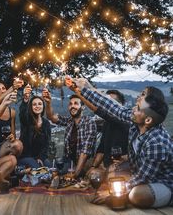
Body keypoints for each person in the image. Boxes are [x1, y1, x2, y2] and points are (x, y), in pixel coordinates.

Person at [65, 76, 173, 208]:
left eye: (137, 107)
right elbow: (111, 106)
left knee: (137, 195)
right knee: (112, 173)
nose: (133, 109)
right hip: (139, 174)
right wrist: (84, 89)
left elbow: (142, 179)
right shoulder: (138, 120)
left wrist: (112, 193)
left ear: (148, 120)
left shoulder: (158, 143)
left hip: (162, 183)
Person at [42, 88, 97, 178]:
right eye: (70, 104)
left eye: (76, 103)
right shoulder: (69, 121)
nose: (72, 106)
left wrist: (75, 174)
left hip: (84, 163)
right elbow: (51, 117)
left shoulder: (89, 122)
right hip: (69, 161)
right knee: (50, 169)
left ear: (82, 107)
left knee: (66, 176)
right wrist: (48, 103)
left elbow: (85, 152)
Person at [85, 90, 129, 178]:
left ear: (119, 106)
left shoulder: (125, 122)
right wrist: (93, 167)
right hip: (106, 165)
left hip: (123, 166)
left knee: (98, 176)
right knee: (87, 169)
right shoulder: (106, 123)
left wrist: (81, 92)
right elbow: (101, 149)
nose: (107, 106)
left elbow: (97, 110)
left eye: (110, 102)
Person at [18, 84, 51, 168]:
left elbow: (46, 144)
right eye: (34, 104)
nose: (37, 106)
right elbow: (22, 114)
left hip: (38, 157)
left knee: (48, 166)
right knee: (35, 166)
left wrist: (41, 157)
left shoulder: (46, 123)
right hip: (25, 157)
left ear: (43, 106)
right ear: (31, 107)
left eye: (40, 104)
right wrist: (25, 99)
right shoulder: (27, 120)